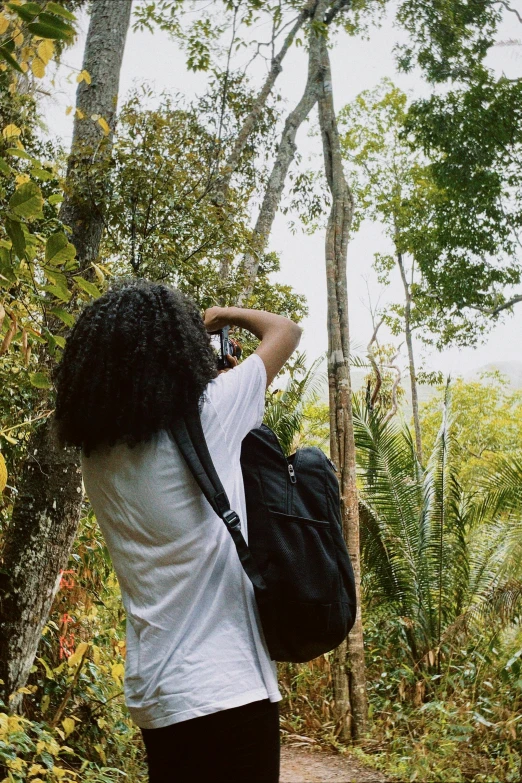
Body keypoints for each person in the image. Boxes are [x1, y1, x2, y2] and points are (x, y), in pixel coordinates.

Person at [53, 279, 302, 782]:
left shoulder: (94, 454)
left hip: (158, 693)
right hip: (227, 685)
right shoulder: (211, 412)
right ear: (178, 350)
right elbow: (286, 330)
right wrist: (217, 315)